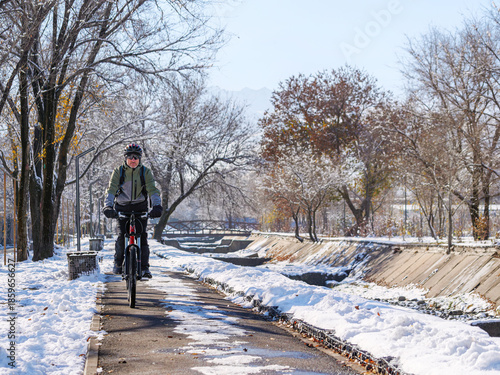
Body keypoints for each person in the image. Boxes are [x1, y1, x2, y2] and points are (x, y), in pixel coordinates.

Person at [102, 143, 162, 278]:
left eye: (136, 157)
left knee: (143, 237)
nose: (133, 160)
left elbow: (152, 190)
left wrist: (157, 206)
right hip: (122, 207)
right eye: (130, 157)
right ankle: (118, 263)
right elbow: (111, 190)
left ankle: (145, 267)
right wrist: (108, 206)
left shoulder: (145, 172)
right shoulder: (119, 172)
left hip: (140, 206)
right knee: (122, 236)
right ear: (125, 158)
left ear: (140, 159)